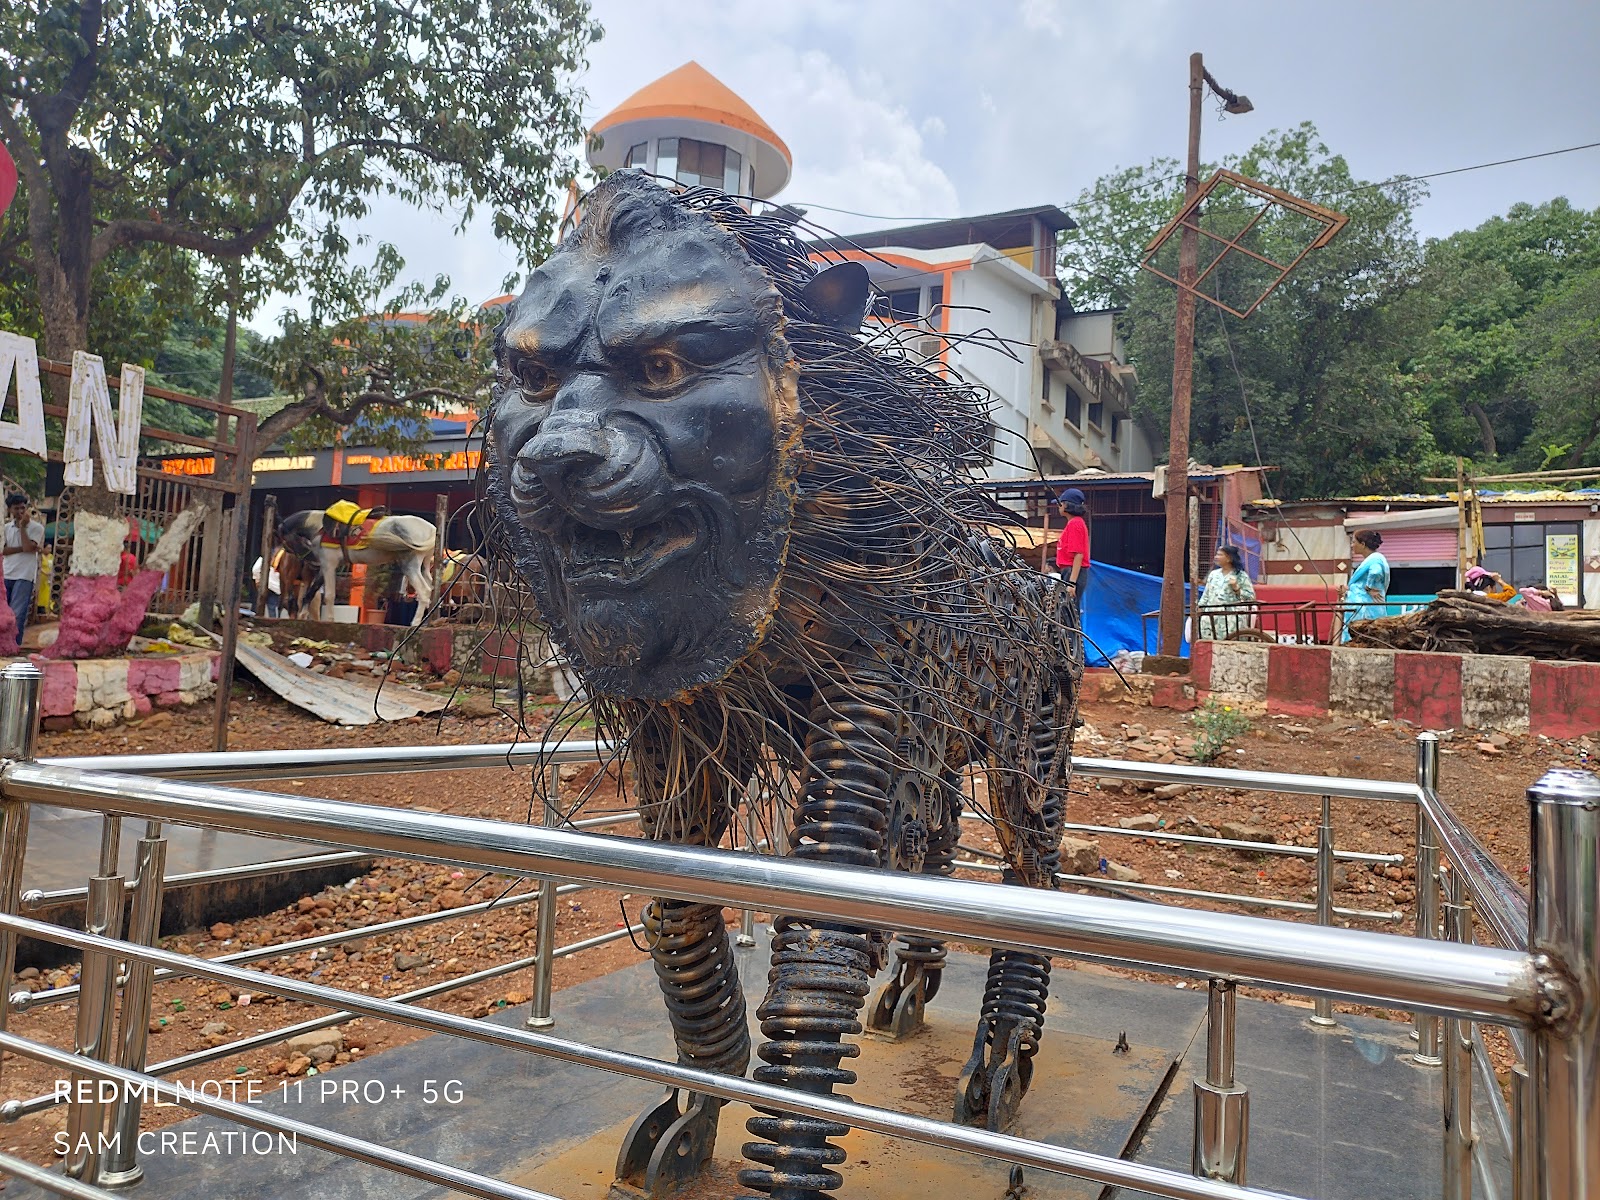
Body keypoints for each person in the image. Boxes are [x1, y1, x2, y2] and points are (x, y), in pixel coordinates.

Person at [3, 493, 44, 642]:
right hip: (7, 573)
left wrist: (22, 528)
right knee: (4, 611)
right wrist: (25, 548)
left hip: (24, 575)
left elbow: (28, 547)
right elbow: (3, 550)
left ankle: (13, 643)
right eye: (16, 508)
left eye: (23, 508)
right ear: (10, 510)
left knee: (17, 613)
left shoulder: (36, 528)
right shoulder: (6, 528)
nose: (20, 511)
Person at [1196, 545, 1257, 640]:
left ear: (1229, 558)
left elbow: (1250, 597)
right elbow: (1206, 594)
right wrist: (1200, 607)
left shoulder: (1241, 576)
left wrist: (1236, 588)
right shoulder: (1213, 575)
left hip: (1231, 619)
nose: (1216, 557)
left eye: (1220, 555)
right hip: (1211, 618)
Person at [1340, 529, 1390, 642]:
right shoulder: (1375, 559)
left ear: (1362, 544)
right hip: (1365, 607)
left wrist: (1369, 587)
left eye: (1354, 542)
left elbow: (1375, 572)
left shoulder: (1375, 559)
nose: (1352, 546)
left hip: (1364, 609)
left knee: (1364, 637)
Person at [1054, 487, 1091, 602]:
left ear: (1066, 505)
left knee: (1069, 611)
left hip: (1073, 572)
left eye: (1060, 503)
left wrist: (1072, 582)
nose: (1058, 506)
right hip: (1069, 571)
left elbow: (1078, 554)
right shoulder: (1074, 523)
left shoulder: (1075, 524)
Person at [253, 549, 283, 618]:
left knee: (269, 605)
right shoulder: (279, 561)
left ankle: (271, 620)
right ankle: (274, 620)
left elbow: (255, 570)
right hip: (276, 587)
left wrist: (257, 580)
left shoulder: (263, 559)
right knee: (274, 606)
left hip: (269, 585)